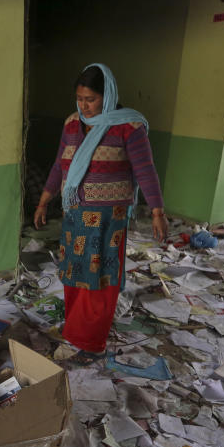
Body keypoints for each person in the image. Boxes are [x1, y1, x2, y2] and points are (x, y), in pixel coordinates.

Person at [34, 63, 168, 356]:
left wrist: (157, 212)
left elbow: (146, 171)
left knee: (98, 280)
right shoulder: (72, 123)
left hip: (107, 220)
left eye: (90, 99)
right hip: (76, 215)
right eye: (79, 99)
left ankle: (90, 342)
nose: (84, 106)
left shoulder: (128, 127)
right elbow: (60, 165)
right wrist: (44, 200)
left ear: (107, 96)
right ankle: (74, 329)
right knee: (75, 274)